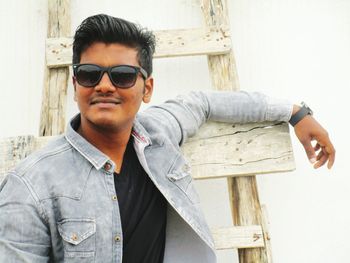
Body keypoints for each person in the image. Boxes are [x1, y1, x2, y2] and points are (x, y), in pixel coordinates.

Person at [0, 14, 335, 263]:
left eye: (122, 76)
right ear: (75, 85)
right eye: (90, 74)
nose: (104, 85)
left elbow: (204, 102)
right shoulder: (29, 186)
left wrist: (296, 113)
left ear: (147, 89)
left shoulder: (157, 133)